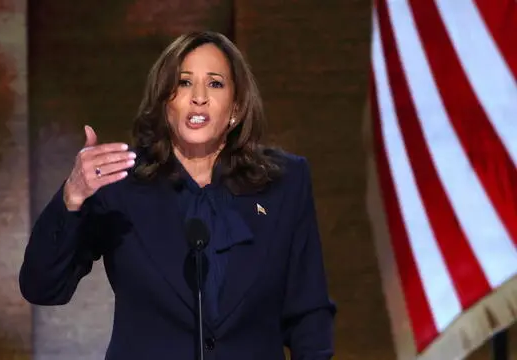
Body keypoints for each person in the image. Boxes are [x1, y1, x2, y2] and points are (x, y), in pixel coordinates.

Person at [19, 31, 336, 360]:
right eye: (184, 82)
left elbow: (308, 313)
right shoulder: (120, 184)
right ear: (164, 102)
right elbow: (43, 287)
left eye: (215, 83)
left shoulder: (284, 182)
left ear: (237, 108)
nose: (198, 96)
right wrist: (72, 197)